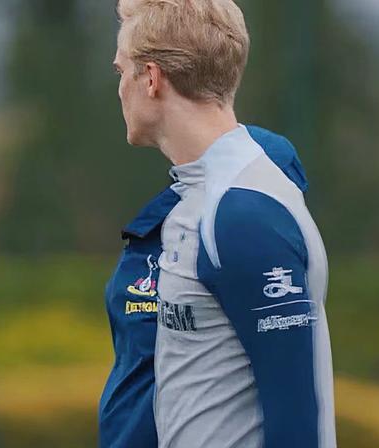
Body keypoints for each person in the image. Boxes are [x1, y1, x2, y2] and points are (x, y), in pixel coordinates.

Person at [102, 1, 337, 447]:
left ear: (150, 78)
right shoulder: (202, 197)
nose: (119, 90)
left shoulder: (240, 212)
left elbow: (296, 418)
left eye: (121, 72)